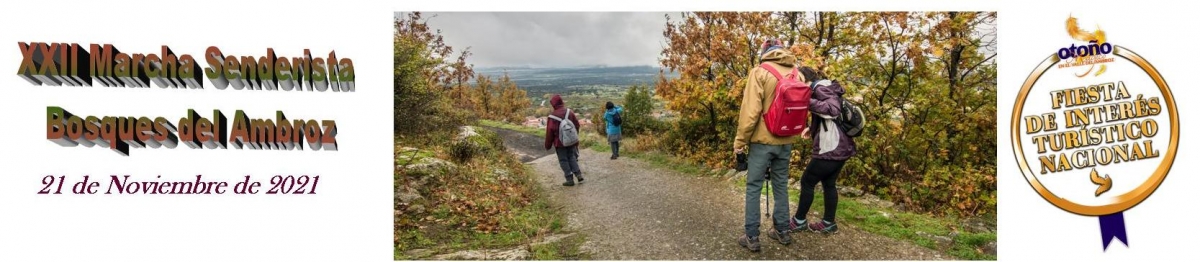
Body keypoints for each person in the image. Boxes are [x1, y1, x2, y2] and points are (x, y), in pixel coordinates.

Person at [733, 39, 799, 252]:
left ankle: (751, 236)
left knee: (754, 187)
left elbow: (750, 112)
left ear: (765, 52)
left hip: (762, 142)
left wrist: (740, 142)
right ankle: (782, 230)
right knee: (781, 185)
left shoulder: (759, 72)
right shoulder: (796, 73)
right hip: (786, 140)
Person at [788, 67, 857, 234]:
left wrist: (804, 100)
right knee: (829, 184)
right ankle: (828, 223)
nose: (795, 79)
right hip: (842, 145)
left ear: (805, 77)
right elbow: (826, 116)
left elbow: (833, 110)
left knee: (807, 181)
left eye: (797, 77)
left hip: (831, 147)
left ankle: (799, 221)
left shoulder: (820, 87)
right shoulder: (824, 87)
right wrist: (811, 129)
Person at [545, 94, 583, 186]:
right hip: (571, 141)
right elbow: (577, 125)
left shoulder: (552, 117)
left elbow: (549, 132)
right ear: (561, 102)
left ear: (553, 104)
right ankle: (578, 174)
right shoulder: (569, 112)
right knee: (572, 157)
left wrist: (548, 145)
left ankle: (569, 179)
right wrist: (573, 137)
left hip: (560, 143)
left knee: (563, 160)